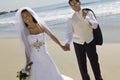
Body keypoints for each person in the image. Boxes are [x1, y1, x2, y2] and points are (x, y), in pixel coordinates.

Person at [15, 7, 73, 80]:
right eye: (23, 17)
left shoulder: (40, 26)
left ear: (31, 15)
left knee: (51, 73)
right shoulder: (24, 32)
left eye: (27, 15)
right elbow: (27, 48)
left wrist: (61, 45)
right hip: (34, 58)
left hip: (45, 55)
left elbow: (52, 36)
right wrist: (27, 62)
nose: (26, 18)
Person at [64, 0, 103, 80]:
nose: (74, 6)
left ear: (79, 2)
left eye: (75, 3)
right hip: (78, 44)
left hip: (90, 41)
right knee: (82, 66)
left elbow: (95, 25)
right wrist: (67, 42)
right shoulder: (70, 18)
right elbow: (69, 32)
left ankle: (99, 78)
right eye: (72, 5)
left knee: (94, 63)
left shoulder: (89, 13)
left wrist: (86, 18)